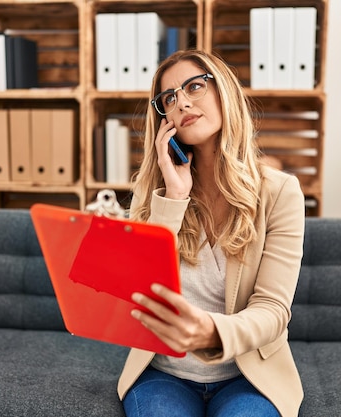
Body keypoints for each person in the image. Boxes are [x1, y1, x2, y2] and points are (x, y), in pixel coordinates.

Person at [118, 49, 306, 417]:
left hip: (248, 374)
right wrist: (174, 197)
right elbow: (137, 289)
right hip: (164, 372)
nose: (182, 102)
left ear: (225, 93)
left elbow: (273, 310)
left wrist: (210, 332)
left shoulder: (280, 192)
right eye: (169, 98)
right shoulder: (153, 192)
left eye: (194, 87)